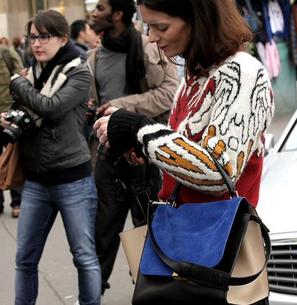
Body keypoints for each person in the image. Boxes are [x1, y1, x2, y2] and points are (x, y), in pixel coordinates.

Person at [93, 0, 274, 302]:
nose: (151, 37)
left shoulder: (243, 72)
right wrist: (142, 148)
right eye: (148, 26)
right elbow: (188, 153)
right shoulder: (194, 75)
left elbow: (217, 171)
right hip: (185, 245)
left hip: (223, 255)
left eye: (161, 26)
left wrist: (141, 130)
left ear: (199, 20)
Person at [7, 10, 100, 305]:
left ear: (62, 39)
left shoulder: (78, 72)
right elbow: (23, 112)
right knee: (25, 258)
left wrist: (19, 85)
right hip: (35, 180)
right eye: (33, 36)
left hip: (72, 178)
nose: (37, 43)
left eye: (44, 36)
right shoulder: (31, 73)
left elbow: (51, 107)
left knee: (84, 257)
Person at [88, 0, 179, 296]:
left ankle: (149, 294)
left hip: (144, 158)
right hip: (107, 158)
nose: (93, 13)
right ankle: (92, 295)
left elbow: (168, 94)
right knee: (101, 236)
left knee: (146, 235)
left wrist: (122, 109)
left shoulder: (151, 49)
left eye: (100, 7)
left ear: (117, 14)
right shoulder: (94, 58)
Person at [0, 37, 24, 218]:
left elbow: (21, 82)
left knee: (13, 157)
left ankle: (17, 201)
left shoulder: (8, 53)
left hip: (8, 115)